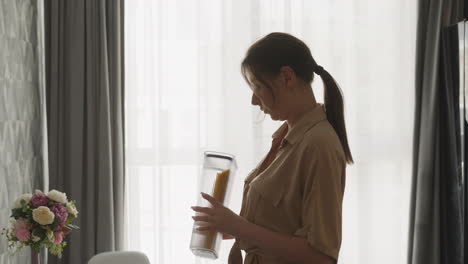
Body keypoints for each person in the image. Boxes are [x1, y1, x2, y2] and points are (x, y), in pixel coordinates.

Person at [191, 32, 353, 264]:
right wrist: (229, 226)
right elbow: (283, 225)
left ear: (287, 77)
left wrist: (241, 228)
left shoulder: (318, 145)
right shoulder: (286, 138)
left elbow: (321, 257)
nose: (254, 101)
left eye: (257, 86)